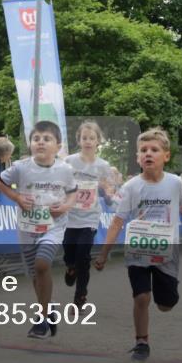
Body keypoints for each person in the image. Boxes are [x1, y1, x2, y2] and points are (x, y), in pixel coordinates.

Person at [94, 128, 182, 362]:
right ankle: (141, 342)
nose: (148, 154)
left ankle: (167, 290)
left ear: (166, 156)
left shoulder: (174, 183)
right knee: (141, 298)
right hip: (138, 250)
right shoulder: (131, 187)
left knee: (166, 304)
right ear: (138, 157)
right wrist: (103, 254)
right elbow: (117, 221)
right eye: (143, 150)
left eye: (154, 150)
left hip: (166, 252)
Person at [0, 120, 76, 339]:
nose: (40, 142)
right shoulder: (21, 167)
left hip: (54, 226)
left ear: (58, 146)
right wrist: (17, 197)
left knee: (42, 264)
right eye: (36, 139)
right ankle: (48, 310)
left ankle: (41, 319)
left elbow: (72, 193)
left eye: (47, 139)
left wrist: (65, 206)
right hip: (27, 227)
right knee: (35, 273)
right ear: (30, 143)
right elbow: (0, 182)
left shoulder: (65, 169)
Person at [62, 120, 111, 309]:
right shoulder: (69, 161)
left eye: (92, 138)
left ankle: (80, 294)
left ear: (98, 141)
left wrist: (106, 191)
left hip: (90, 216)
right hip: (70, 215)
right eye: (84, 138)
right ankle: (70, 266)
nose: (88, 141)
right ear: (79, 140)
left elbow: (109, 190)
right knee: (69, 251)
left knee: (83, 254)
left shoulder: (103, 165)